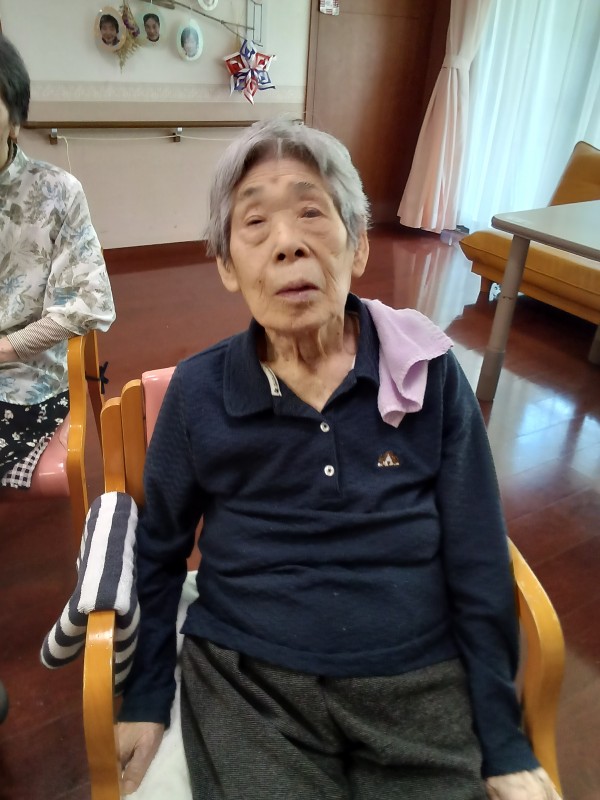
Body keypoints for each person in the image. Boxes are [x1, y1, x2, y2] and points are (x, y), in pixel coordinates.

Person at [116, 118, 561, 800]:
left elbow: (477, 550)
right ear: (228, 266)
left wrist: (502, 740)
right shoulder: (198, 393)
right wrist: (146, 698)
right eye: (255, 223)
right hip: (250, 685)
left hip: (416, 681)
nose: (287, 243)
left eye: (312, 213)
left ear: (358, 245)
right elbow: (158, 552)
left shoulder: (429, 374)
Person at [0, 35, 115, 489]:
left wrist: (6, 349)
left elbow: (88, 302)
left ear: (14, 121)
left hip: (24, 378)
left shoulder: (57, 192)